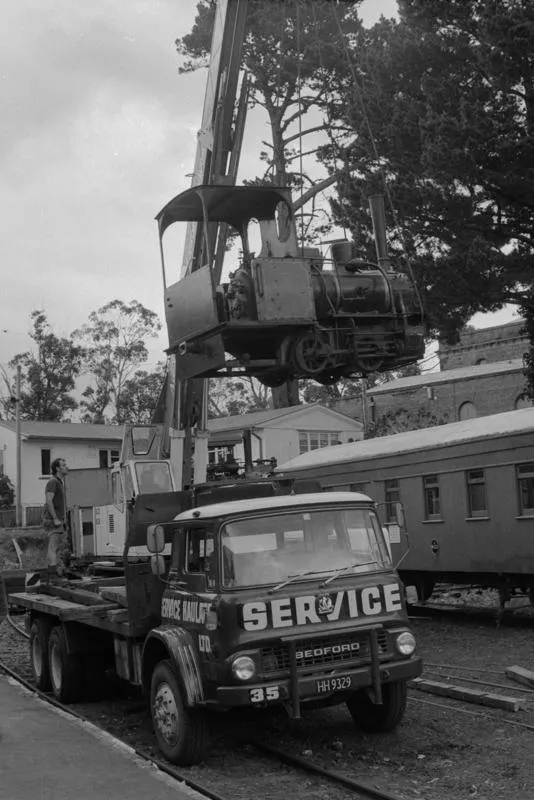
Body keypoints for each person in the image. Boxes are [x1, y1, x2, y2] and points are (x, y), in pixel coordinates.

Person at [43, 457, 69, 575]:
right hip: (52, 520)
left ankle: (53, 572)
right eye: (63, 465)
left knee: (56, 547)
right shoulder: (53, 482)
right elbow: (49, 501)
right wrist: (55, 519)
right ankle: (52, 575)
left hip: (58, 519)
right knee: (53, 547)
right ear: (57, 468)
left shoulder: (59, 482)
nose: (66, 467)